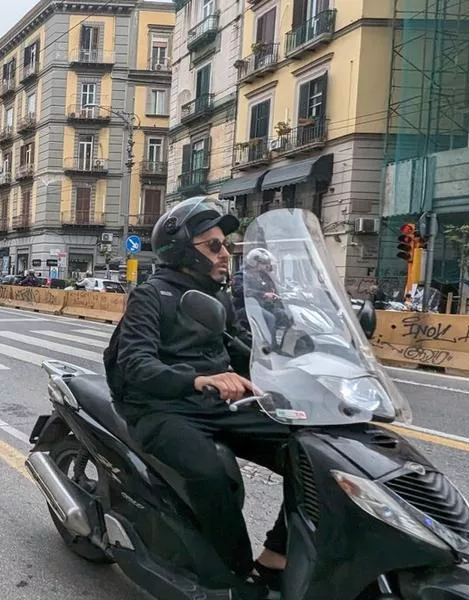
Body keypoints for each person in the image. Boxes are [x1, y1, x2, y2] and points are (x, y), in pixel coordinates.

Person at [109, 197, 288, 598]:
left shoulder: (218, 296)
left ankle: (277, 553)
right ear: (184, 251)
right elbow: (137, 365)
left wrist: (295, 361)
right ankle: (233, 573)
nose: (225, 253)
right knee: (209, 474)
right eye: (214, 246)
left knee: (306, 449)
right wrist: (199, 380)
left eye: (225, 244)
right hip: (161, 409)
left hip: (213, 407)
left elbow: (239, 349)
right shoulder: (150, 296)